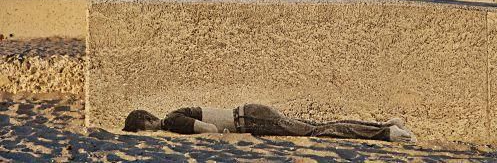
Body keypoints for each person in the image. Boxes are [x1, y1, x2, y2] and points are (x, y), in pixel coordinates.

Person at [123, 103, 417, 143]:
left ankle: (387, 132)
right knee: (320, 125)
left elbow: (211, 131)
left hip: (250, 120)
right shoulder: (175, 113)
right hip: (250, 113)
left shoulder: (173, 122)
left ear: (147, 121)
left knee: (318, 131)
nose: (147, 135)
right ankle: (383, 125)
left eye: (143, 131)